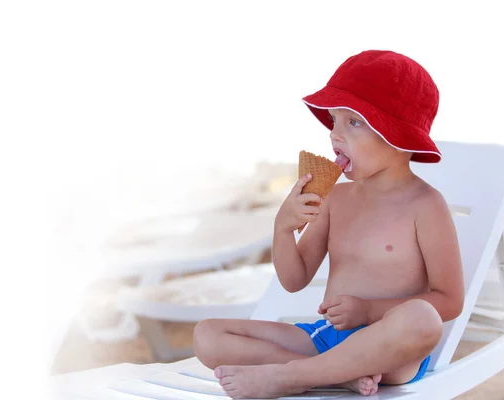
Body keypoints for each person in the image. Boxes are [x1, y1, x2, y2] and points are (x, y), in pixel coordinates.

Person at [192, 50, 465, 399]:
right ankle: (334, 377)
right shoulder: (335, 199)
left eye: (353, 122)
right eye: (333, 121)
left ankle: (291, 375)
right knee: (208, 336)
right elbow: (294, 279)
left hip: (388, 348)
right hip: (324, 336)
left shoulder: (425, 206)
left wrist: (368, 310)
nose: (335, 134)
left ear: (400, 137)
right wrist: (283, 228)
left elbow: (449, 300)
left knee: (422, 320)